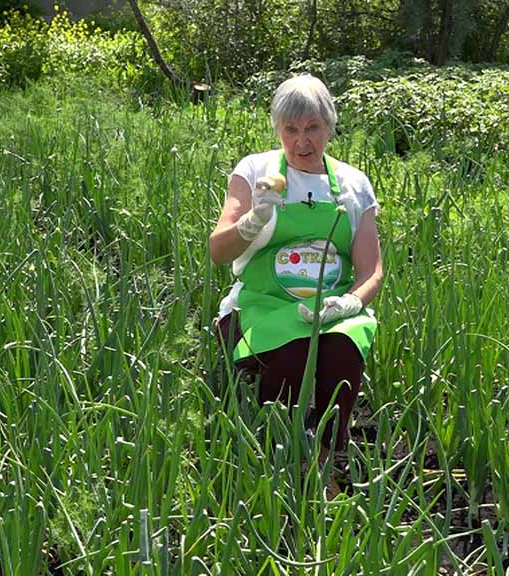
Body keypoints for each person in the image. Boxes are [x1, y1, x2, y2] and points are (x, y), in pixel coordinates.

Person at [209, 74, 383, 496]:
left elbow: (372, 270)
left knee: (342, 350)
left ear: (330, 127)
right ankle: (280, 453)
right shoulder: (256, 171)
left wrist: (349, 303)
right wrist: (252, 222)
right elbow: (218, 251)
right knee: (293, 352)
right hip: (263, 303)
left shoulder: (354, 185)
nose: (302, 141)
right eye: (291, 129)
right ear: (277, 128)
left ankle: (324, 458)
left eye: (312, 128)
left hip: (329, 306)